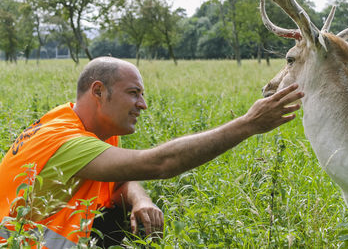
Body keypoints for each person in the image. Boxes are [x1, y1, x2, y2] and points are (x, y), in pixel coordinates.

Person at [0, 57, 303, 248]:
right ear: (98, 92)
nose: (143, 105)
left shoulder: (80, 122)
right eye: (133, 93)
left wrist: (141, 198)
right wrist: (248, 124)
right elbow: (160, 163)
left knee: (138, 217)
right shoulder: (65, 141)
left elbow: (123, 174)